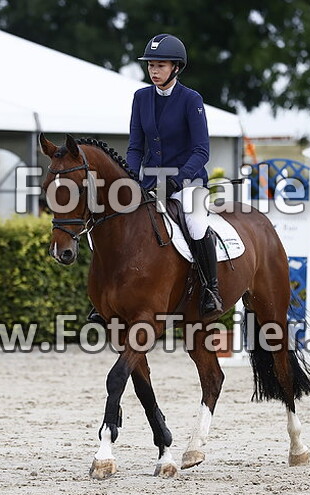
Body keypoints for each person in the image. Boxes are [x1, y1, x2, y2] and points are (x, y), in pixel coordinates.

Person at [88, 33, 222, 325]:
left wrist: (179, 179)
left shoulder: (191, 100)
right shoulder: (141, 98)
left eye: (160, 65)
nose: (154, 71)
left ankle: (211, 290)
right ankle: (105, 299)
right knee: (112, 223)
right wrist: (131, 178)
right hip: (149, 181)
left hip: (189, 183)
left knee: (197, 223)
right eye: (150, 65)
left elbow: (202, 150)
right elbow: (136, 146)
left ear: (176, 67)